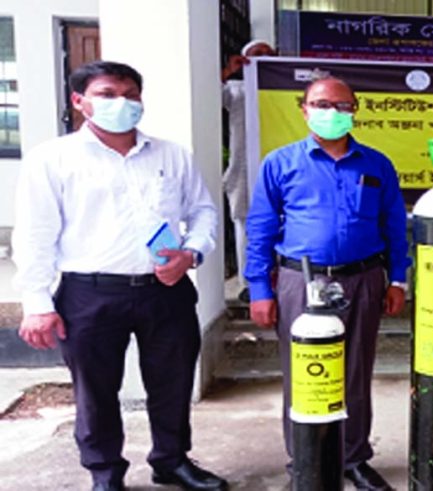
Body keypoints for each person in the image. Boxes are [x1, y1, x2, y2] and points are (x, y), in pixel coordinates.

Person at [12, 61, 225, 491]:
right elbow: (35, 233)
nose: (122, 103)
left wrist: (192, 253)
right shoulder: (53, 159)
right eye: (108, 94)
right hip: (89, 293)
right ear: (80, 101)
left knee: (173, 380)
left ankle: (171, 460)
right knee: (95, 391)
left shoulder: (171, 154)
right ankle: (105, 472)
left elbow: (202, 210)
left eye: (131, 94)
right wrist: (36, 303)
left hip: (164, 290)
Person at [245, 76, 408, 491]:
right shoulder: (279, 163)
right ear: (304, 108)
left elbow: (395, 226)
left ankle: (353, 459)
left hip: (364, 279)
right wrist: (260, 289)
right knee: (304, 373)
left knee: (356, 372)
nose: (331, 113)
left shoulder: (376, 165)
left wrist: (399, 280)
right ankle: (304, 462)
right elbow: (261, 230)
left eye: (341, 105)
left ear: (355, 109)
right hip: (301, 281)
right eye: (321, 104)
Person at [220, 39, 276, 302]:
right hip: (245, 168)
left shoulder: (284, 89)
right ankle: (249, 283)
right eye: (256, 54)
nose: (263, 58)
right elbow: (207, 96)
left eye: (268, 54)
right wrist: (227, 71)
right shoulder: (236, 89)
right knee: (246, 226)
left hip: (278, 167)